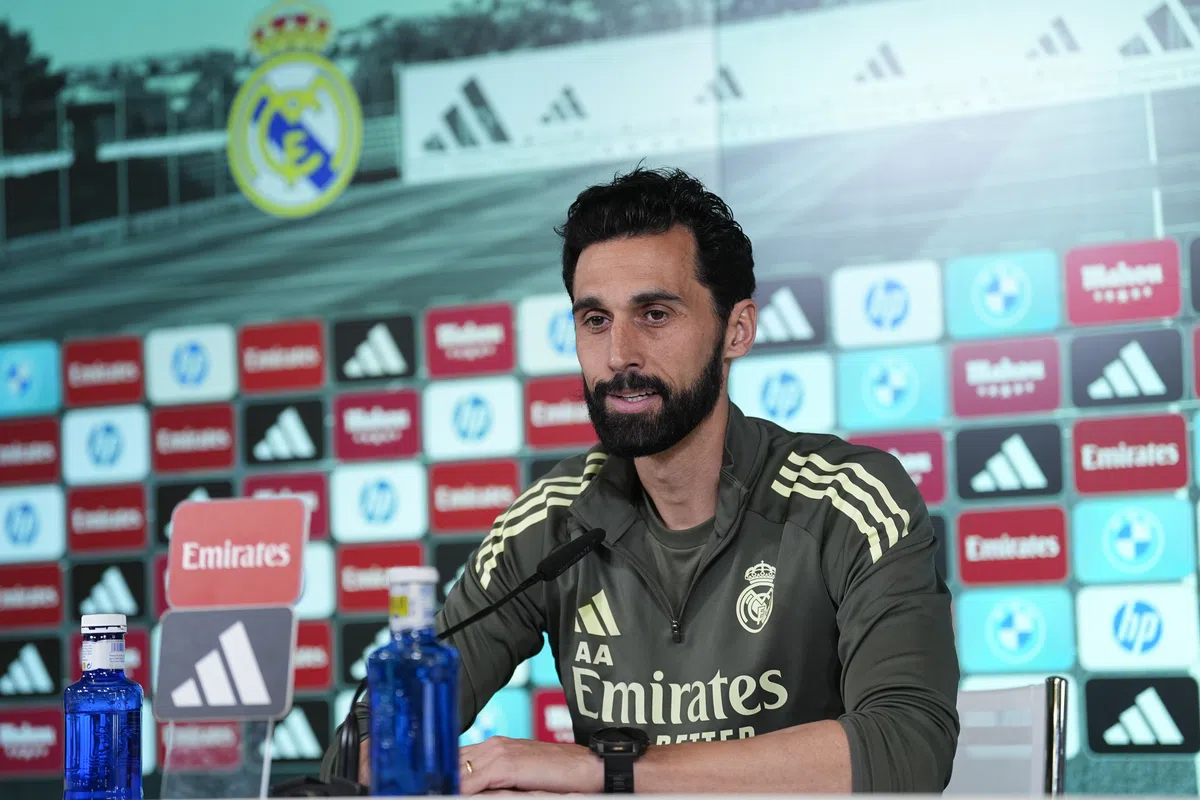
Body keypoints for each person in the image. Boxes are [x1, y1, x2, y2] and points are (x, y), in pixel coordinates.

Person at [320, 166, 960, 794]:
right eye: (595, 320)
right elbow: (365, 743)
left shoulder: (849, 499)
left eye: (654, 314)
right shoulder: (550, 522)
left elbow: (908, 747)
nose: (619, 353)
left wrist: (605, 772)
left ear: (736, 330)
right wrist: (415, 765)